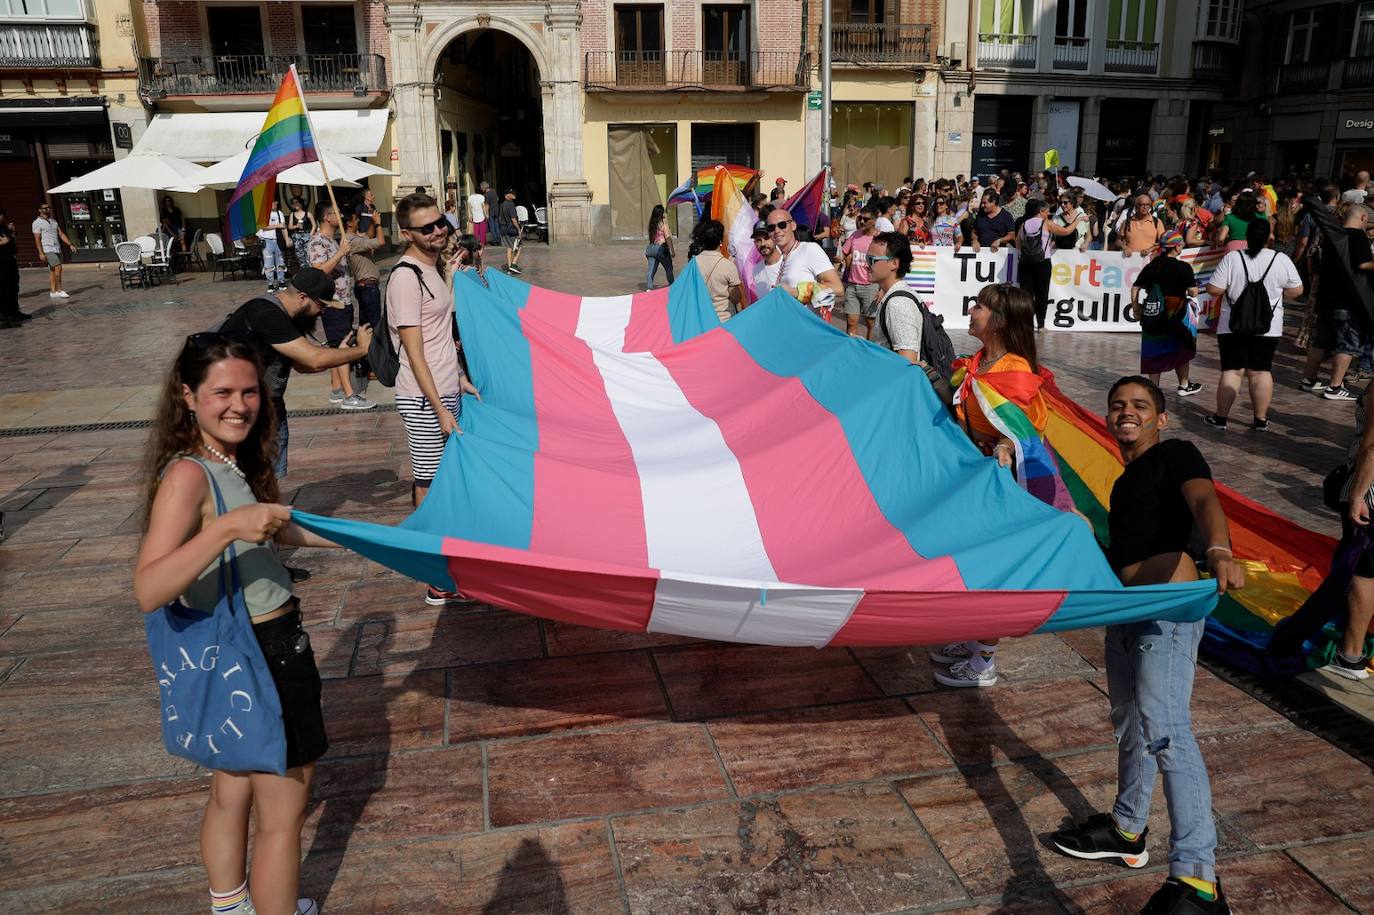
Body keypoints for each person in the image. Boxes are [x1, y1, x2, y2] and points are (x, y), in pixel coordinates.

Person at [133, 334, 355, 915]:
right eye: (222, 393)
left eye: (250, 391)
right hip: (265, 651)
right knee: (283, 817)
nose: (239, 405)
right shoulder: (189, 476)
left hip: (242, 649)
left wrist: (373, 541)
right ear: (187, 396)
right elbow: (149, 586)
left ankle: (230, 905)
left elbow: (276, 528)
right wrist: (228, 530)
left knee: (232, 789)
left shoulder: (226, 461)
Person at [1050, 375, 1242, 915]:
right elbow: (1129, 554)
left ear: (1162, 417)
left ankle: (1198, 881)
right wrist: (1086, 533)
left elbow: (1203, 500)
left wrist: (1220, 549)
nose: (1125, 413)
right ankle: (1127, 829)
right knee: (1130, 721)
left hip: (1168, 609)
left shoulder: (1177, 453)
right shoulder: (1126, 479)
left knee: (1166, 730)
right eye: (1117, 406)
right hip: (1128, 610)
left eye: (1139, 405)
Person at [933, 284, 1058, 687]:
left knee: (992, 569)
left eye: (981, 307)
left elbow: (1025, 427)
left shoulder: (1014, 370)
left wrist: (1005, 446)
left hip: (1002, 481)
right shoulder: (980, 363)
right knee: (971, 561)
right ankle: (973, 637)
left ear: (1000, 321)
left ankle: (984, 661)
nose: (972, 310)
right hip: (976, 479)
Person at [388, 193, 481, 605]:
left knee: (444, 479)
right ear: (406, 233)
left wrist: (458, 378)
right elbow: (414, 350)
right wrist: (440, 408)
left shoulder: (430, 269)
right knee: (429, 483)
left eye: (440, 222)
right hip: (425, 399)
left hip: (444, 389)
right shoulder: (406, 277)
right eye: (426, 228)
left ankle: (449, 562)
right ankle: (434, 575)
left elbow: (440, 332)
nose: (438, 230)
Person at [216, 268, 372, 477]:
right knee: (245, 484)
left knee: (268, 482)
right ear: (302, 298)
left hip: (269, 410)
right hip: (238, 413)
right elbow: (314, 360)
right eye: (321, 305)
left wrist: (339, 354)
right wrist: (361, 350)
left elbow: (302, 365)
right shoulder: (266, 314)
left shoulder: (291, 317)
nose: (322, 312)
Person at [1203, 220, 1303, 432]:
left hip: (1232, 325)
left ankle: (1221, 418)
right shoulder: (1281, 259)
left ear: (1246, 236)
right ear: (1269, 237)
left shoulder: (1232, 258)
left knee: (1232, 371)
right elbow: (1297, 290)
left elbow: (1214, 289)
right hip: (1268, 326)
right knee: (1261, 371)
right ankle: (1260, 419)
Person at [1300, 204, 1373, 402]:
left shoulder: (1332, 236)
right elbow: (1363, 263)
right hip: (1348, 300)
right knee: (1347, 345)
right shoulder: (1357, 236)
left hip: (1326, 297)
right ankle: (1334, 387)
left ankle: (1309, 379)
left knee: (1320, 341)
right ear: (1363, 218)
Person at [308, 203, 372, 411]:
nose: (341, 215)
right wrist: (340, 253)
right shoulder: (318, 242)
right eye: (336, 213)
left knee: (337, 345)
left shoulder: (332, 241)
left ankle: (336, 389)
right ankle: (348, 394)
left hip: (342, 301)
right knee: (342, 347)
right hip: (332, 302)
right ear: (327, 217)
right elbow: (318, 273)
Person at [1133, 230, 1202, 396]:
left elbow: (1136, 287)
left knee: (1154, 347)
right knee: (1181, 346)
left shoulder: (1153, 265)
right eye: (1181, 245)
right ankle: (1184, 385)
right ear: (1176, 247)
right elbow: (1192, 292)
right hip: (1176, 313)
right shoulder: (1183, 267)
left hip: (1153, 313)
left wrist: (1136, 309)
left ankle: (1153, 388)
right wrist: (1195, 289)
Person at [751, 207, 842, 318]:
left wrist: (795, 292)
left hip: (808, 328)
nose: (776, 230)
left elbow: (837, 288)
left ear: (793, 226)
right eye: (771, 228)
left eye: (782, 225)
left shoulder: (809, 249)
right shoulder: (785, 258)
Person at [1017, 198, 1084, 329]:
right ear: (1041, 211)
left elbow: (1018, 244)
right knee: (1042, 294)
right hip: (1042, 262)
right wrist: (1078, 220)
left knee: (1026, 295)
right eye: (1047, 211)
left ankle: (1026, 325)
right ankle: (1041, 325)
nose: (1048, 214)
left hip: (1025, 263)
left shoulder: (1024, 224)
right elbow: (1065, 232)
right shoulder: (1046, 223)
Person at [344, 209, 383, 386]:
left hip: (365, 287)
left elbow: (368, 237)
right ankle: (373, 366)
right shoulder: (351, 240)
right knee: (374, 328)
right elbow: (380, 242)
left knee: (366, 326)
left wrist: (373, 224)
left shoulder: (355, 239)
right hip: (367, 287)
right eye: (355, 218)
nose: (358, 220)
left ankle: (364, 364)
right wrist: (379, 223)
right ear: (349, 223)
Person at [687, 218, 741, 322]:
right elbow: (736, 298)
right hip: (725, 320)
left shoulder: (693, 264)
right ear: (720, 241)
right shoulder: (728, 266)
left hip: (702, 320)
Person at [840, 205, 880, 337]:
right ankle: (851, 353)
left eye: (866, 219)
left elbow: (886, 265)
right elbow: (845, 253)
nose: (861, 221)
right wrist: (842, 259)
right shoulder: (855, 235)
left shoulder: (880, 238)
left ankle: (869, 353)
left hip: (871, 286)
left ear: (874, 220)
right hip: (852, 286)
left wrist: (882, 290)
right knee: (851, 322)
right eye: (860, 218)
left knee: (871, 324)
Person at [32, 201, 72, 298]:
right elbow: (37, 239)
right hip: (47, 248)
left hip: (56, 248)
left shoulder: (53, 221)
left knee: (53, 270)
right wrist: (41, 252)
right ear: (39, 210)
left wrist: (70, 244)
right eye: (45, 208)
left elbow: (61, 234)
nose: (48, 209)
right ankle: (59, 290)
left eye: (49, 207)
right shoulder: (37, 223)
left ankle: (53, 291)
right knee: (59, 267)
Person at [0, 208, 27, 328]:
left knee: (13, 288)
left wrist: (13, 232)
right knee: (3, 290)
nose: (2, 218)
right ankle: (3, 318)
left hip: (10, 261)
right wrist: (7, 238)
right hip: (1, 264)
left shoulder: (4, 227)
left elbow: (11, 241)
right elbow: (4, 241)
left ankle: (14, 313)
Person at [1119, 192, 1166, 257]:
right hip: (1130, 261)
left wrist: (1150, 249)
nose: (1144, 207)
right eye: (1141, 204)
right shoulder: (1127, 222)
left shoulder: (1157, 222)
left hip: (1149, 261)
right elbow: (1118, 241)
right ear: (1136, 206)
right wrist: (1124, 247)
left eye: (1147, 205)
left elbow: (1163, 242)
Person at [256, 201, 288, 293]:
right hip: (267, 240)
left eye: (275, 202)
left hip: (278, 240)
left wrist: (286, 239)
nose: (275, 204)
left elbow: (283, 227)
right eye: (273, 202)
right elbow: (263, 226)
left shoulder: (279, 213)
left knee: (280, 261)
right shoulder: (263, 213)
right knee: (268, 263)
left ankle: (282, 281)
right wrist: (277, 225)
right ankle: (270, 283)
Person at [645, 204, 674, 289]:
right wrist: (672, 251)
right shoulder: (663, 225)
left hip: (651, 249)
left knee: (651, 271)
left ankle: (649, 288)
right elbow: (668, 239)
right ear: (661, 214)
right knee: (669, 268)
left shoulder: (651, 225)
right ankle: (672, 285)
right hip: (661, 249)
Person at [498, 188, 523, 275]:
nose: (514, 194)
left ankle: (509, 267)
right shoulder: (511, 205)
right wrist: (519, 229)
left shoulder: (502, 204)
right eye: (512, 193)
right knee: (519, 247)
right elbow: (513, 219)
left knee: (509, 247)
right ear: (507, 195)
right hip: (511, 229)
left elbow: (500, 217)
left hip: (503, 229)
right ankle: (513, 264)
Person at [286, 197, 313, 272]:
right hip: (297, 236)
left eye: (297, 202)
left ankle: (311, 272)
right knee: (300, 256)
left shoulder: (308, 213)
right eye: (294, 203)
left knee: (308, 254)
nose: (295, 205)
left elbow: (314, 225)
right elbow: (290, 226)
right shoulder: (292, 214)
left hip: (307, 235)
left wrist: (311, 234)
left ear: (301, 203)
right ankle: (304, 272)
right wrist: (296, 226)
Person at [481, 181, 500, 246]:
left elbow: (487, 205)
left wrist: (486, 214)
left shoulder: (486, 195)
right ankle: (499, 240)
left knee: (492, 227)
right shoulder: (493, 191)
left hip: (491, 212)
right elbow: (497, 199)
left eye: (482, 188)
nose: (481, 189)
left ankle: (495, 241)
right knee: (497, 226)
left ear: (484, 188)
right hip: (496, 210)